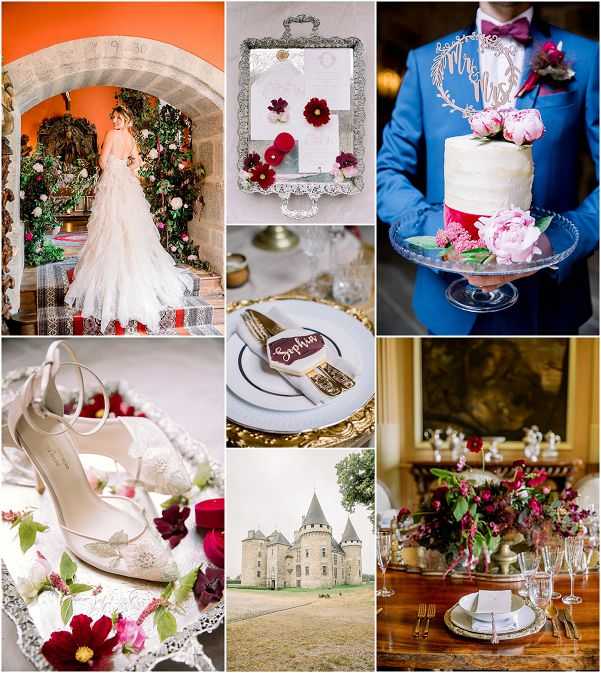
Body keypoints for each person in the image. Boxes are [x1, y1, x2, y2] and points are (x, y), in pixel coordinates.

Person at [378, 2, 599, 334]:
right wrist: (445, 233)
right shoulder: (426, 62)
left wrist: (553, 243)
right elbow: (386, 172)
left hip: (549, 304)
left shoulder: (588, 57)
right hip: (448, 303)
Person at [65, 105, 191, 332]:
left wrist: (112, 170)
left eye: (118, 118)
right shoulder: (130, 138)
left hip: (114, 184)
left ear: (126, 119)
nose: (114, 121)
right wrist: (125, 168)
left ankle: (112, 278)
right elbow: (138, 162)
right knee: (129, 226)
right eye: (113, 118)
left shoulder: (112, 135)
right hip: (127, 184)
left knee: (111, 225)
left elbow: (103, 162)